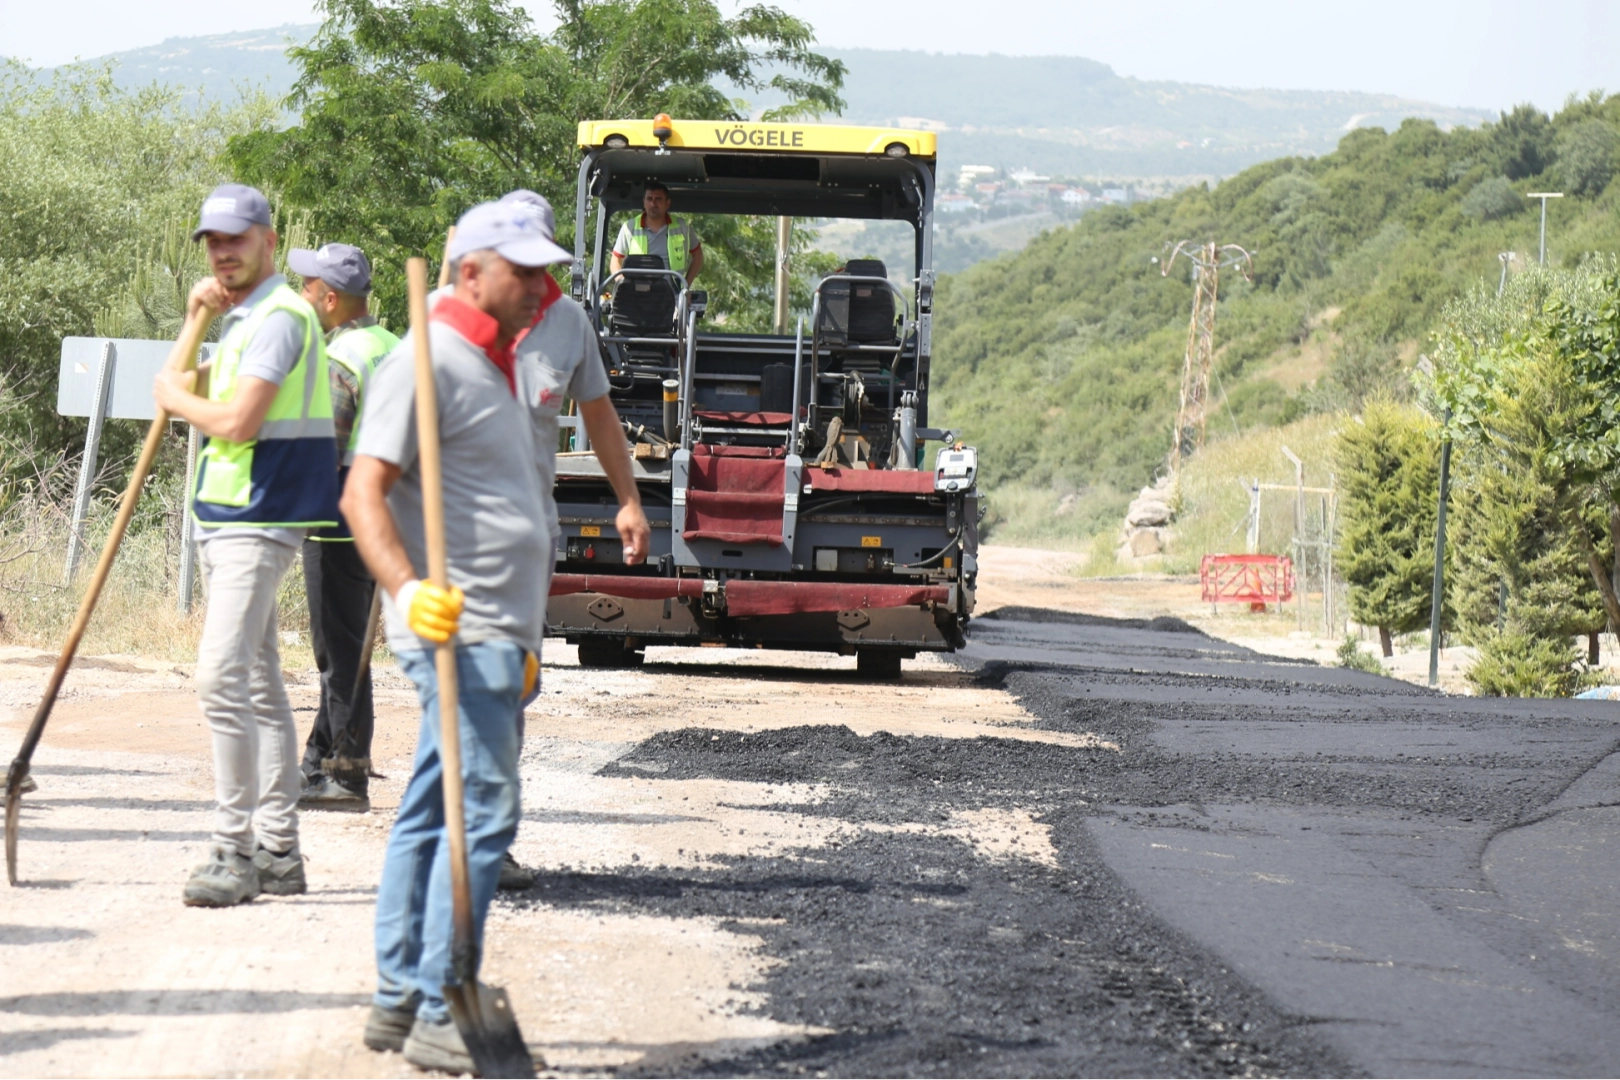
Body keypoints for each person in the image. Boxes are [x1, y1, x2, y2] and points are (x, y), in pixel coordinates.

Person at [345, 199, 649, 1072]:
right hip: (459, 619)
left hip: (502, 622)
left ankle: (400, 993)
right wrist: (408, 592)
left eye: (545, 272)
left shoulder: (507, 357)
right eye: (523, 272)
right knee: (485, 809)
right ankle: (446, 996)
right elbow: (364, 495)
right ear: (469, 270)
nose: (540, 288)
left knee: (434, 803)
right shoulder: (426, 362)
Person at [152, 184, 340, 907]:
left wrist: (176, 399)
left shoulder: (281, 318)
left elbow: (234, 420)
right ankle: (279, 853)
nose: (223, 251)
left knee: (219, 680)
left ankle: (233, 851)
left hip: (261, 518)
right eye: (212, 241)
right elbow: (178, 379)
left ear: (268, 237)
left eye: (236, 237)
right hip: (226, 514)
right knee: (259, 687)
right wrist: (198, 316)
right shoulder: (243, 318)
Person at [287, 243, 400, 813]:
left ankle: (348, 774)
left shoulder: (342, 358)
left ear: (331, 299)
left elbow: (326, 449)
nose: (303, 294)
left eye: (308, 286)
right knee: (347, 647)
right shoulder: (394, 347)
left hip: (337, 521)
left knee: (339, 653)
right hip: (386, 515)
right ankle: (318, 761)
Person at [609, 180, 703, 285]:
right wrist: (623, 284)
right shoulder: (629, 227)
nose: (653, 204)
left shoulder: (683, 227)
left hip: (673, 295)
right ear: (644, 202)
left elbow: (698, 256)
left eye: (658, 199)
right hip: (638, 295)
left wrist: (686, 286)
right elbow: (615, 261)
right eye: (649, 199)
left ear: (668, 203)